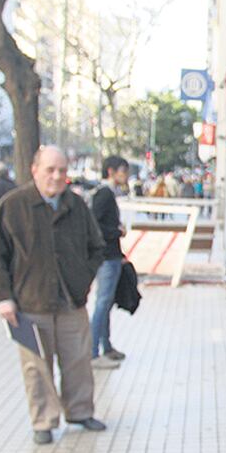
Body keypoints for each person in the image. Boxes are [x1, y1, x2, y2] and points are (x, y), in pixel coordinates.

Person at [0, 145, 107, 445]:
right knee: (36, 366)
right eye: (50, 169)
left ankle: (80, 412)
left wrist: (83, 279)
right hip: (30, 301)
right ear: (34, 169)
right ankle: (44, 420)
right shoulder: (13, 205)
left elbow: (97, 247)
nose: (56, 176)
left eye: (62, 171)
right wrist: (4, 298)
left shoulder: (76, 205)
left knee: (78, 361)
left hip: (70, 300)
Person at [90, 155, 129, 367]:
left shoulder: (106, 193)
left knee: (105, 304)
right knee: (102, 304)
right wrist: (116, 231)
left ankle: (105, 346)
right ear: (112, 172)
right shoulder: (104, 194)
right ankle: (93, 352)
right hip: (106, 256)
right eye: (123, 171)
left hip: (110, 255)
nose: (126, 176)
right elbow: (94, 224)